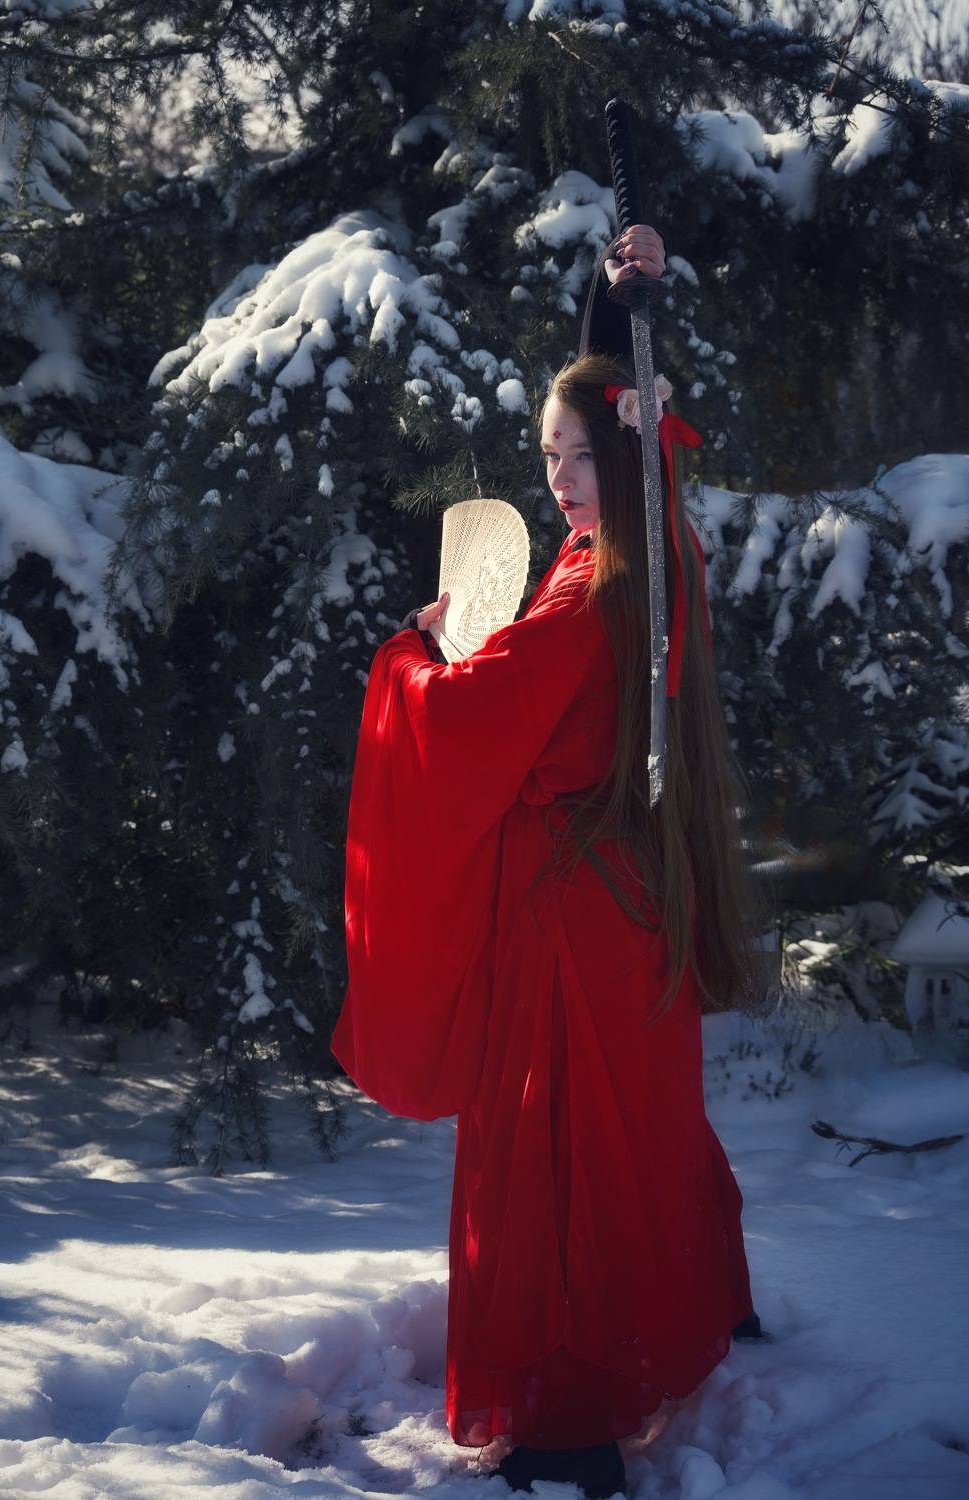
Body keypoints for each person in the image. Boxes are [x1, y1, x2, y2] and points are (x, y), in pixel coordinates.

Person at [330, 225, 766, 1500]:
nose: (563, 480)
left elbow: (470, 724)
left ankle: (571, 1418)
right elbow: (623, 400)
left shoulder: (593, 593)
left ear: (626, 449)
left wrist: (411, 660)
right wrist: (617, 300)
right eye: (547, 459)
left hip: (571, 919)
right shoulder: (655, 548)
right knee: (642, 1126)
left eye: (580, 456)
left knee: (563, 1150)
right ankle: (696, 1310)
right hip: (633, 902)